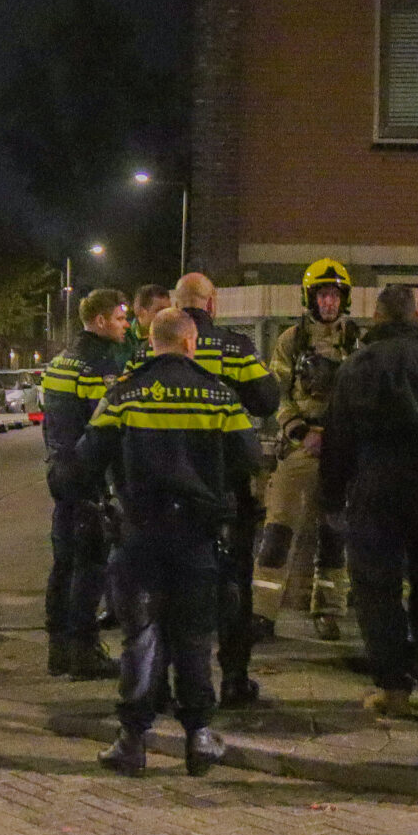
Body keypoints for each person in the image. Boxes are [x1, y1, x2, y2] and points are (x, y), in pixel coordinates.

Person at [76, 307, 262, 778]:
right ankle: (199, 736)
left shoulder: (123, 393)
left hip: (138, 534)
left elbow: (87, 457)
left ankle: (131, 740)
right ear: (190, 342)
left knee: (140, 637)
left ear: (151, 342)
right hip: (197, 536)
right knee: (193, 636)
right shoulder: (218, 395)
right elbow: (250, 456)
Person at [320, 284, 418, 718]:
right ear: (415, 315)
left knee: (376, 587)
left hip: (374, 487)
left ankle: (393, 686)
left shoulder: (355, 367)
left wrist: (332, 497)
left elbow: (338, 439)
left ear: (377, 316)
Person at [171, 272, 280, 707]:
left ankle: (175, 680)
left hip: (171, 487)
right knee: (234, 580)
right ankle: (234, 677)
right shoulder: (235, 348)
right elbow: (267, 400)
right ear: (212, 304)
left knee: (175, 584)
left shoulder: (151, 349)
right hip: (227, 484)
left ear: (176, 306)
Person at [253, 258, 361, 641]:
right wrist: (300, 430)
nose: (329, 302)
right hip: (300, 447)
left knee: (334, 534)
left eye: (335, 295)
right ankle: (262, 613)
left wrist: (339, 435)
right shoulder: (291, 340)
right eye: (323, 295)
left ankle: (328, 611)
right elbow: (276, 393)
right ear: (310, 298)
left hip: (341, 450)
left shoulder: (357, 341)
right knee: (278, 531)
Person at [41, 288, 131, 678]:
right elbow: (105, 429)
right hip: (87, 475)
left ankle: (58, 650)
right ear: (99, 321)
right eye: (120, 318)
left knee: (63, 563)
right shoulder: (100, 368)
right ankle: (84, 651)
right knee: (91, 565)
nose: (126, 325)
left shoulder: (60, 362)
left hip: (59, 469)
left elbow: (51, 421)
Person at [128, 283, 171, 358]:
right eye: (160, 311)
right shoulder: (122, 337)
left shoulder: (173, 337)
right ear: (140, 311)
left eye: (169, 311)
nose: (166, 316)